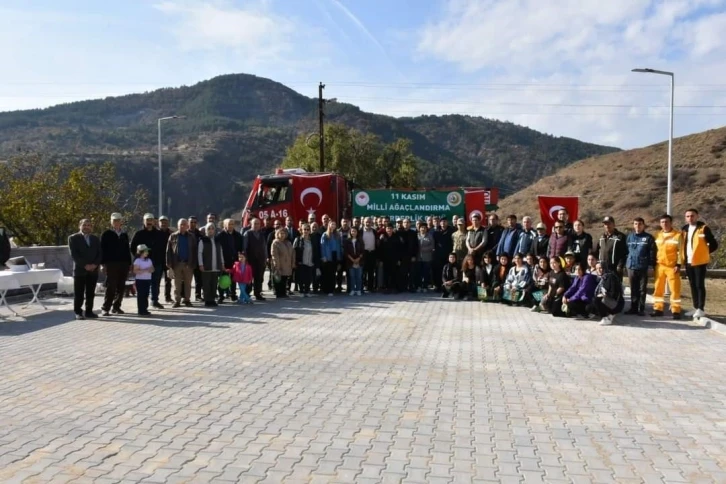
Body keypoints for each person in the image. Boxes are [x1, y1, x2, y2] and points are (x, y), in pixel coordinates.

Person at [682, 208, 719, 319]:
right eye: (688, 216)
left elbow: (714, 244)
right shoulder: (684, 229)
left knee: (699, 285)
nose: (690, 218)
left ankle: (701, 308)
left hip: (699, 262)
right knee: (692, 285)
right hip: (688, 262)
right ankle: (695, 307)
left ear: (697, 216)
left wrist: (704, 254)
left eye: (692, 216)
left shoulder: (703, 228)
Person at [130, 213, 166, 309]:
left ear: (154, 221)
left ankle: (154, 300)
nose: (149, 222)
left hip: (156, 262)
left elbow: (164, 248)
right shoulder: (139, 234)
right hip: (143, 264)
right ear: (144, 221)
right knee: (144, 284)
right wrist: (139, 258)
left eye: (151, 220)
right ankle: (143, 304)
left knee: (156, 282)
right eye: (147, 220)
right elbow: (133, 247)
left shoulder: (160, 234)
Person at [68, 219, 102, 320]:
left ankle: (89, 312)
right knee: (79, 293)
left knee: (91, 292)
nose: (87, 227)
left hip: (93, 270)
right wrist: (85, 265)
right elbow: (74, 254)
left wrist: (95, 264)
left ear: (91, 227)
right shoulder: (73, 238)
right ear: (80, 226)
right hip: (80, 270)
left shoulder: (95, 238)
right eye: (84, 225)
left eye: (89, 225)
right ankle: (78, 312)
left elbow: (100, 253)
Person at [651, 214, 684, 320]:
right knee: (658, 289)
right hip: (660, 266)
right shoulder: (657, 235)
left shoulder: (678, 235)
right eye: (662, 222)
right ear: (660, 223)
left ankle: (676, 311)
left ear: (671, 223)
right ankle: (658, 309)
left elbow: (681, 252)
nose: (664, 224)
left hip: (672, 267)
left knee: (675, 289)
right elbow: (655, 250)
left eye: (666, 222)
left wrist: (678, 264)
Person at [100, 213, 131, 316]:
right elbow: (102, 250)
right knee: (111, 286)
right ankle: (105, 308)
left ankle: (116, 307)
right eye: (114, 221)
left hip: (124, 264)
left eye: (118, 220)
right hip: (111, 263)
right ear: (111, 222)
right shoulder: (106, 234)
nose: (116, 222)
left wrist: (129, 263)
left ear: (121, 222)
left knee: (121, 286)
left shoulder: (124, 234)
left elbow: (127, 250)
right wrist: (102, 264)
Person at [624, 217, 657, 316]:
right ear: (633, 225)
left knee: (642, 290)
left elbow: (652, 253)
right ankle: (633, 308)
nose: (637, 226)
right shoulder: (629, 237)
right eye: (635, 224)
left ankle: (641, 308)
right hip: (631, 266)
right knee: (633, 288)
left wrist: (651, 266)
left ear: (643, 225)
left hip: (643, 267)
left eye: (640, 224)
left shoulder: (648, 238)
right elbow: (626, 251)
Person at [166, 218, 198, 308]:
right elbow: (168, 251)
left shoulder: (191, 236)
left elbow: (195, 251)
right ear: (178, 226)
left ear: (187, 226)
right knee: (177, 284)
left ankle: (187, 300)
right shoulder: (173, 236)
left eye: (184, 224)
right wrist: (169, 265)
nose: (183, 226)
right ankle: (177, 301)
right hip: (177, 264)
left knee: (188, 284)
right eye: (181, 224)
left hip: (188, 264)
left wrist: (193, 263)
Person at [198, 223, 225, 307]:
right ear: (206, 230)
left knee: (214, 285)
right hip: (206, 267)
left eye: (212, 228)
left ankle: (212, 299)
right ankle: (207, 300)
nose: (210, 230)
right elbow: (199, 253)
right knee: (206, 285)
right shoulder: (202, 240)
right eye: (208, 229)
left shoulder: (217, 240)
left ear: (214, 230)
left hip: (216, 267)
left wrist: (222, 263)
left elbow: (221, 253)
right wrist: (201, 264)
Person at [216, 219, 243, 303]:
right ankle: (221, 296)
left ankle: (233, 295)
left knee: (233, 279)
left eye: (232, 224)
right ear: (224, 225)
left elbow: (240, 248)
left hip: (234, 261)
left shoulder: (238, 235)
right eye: (229, 224)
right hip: (224, 261)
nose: (231, 226)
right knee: (223, 278)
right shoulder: (220, 236)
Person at [243, 218, 268, 301]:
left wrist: (265, 258)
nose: (257, 225)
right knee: (249, 278)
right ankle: (246, 294)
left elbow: (264, 248)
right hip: (250, 260)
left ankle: (258, 293)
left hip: (260, 260)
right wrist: (245, 259)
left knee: (259, 277)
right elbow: (244, 248)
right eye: (255, 223)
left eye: (258, 223)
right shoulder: (247, 234)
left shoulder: (262, 234)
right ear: (251, 224)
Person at [293, 223, 319, 297]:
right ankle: (301, 291)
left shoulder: (312, 240)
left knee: (309, 278)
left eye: (308, 229)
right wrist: (294, 261)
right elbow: (293, 251)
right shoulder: (297, 239)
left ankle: (307, 291)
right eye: (304, 229)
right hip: (301, 262)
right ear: (301, 230)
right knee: (301, 278)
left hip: (310, 262)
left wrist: (315, 262)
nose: (306, 231)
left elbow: (315, 251)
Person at [378, 224, 403, 294]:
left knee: (394, 274)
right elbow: (380, 250)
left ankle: (394, 288)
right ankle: (386, 288)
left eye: (390, 228)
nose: (389, 230)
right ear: (386, 229)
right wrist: (381, 260)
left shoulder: (397, 237)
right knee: (386, 274)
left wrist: (399, 260)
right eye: (388, 228)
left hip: (394, 260)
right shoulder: (383, 238)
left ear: (392, 229)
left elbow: (400, 250)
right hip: (385, 260)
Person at [271, 227, 294, 298]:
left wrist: (293, 262)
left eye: (284, 233)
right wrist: (276, 265)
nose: (282, 235)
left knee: (284, 279)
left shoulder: (288, 242)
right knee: (278, 280)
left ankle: (283, 293)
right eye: (281, 233)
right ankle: (279, 293)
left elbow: (293, 253)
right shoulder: (275, 243)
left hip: (287, 264)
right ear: (277, 234)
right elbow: (274, 254)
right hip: (279, 264)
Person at [320, 221, 342, 296]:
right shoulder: (325, 235)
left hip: (335, 255)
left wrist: (339, 258)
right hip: (328, 256)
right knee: (327, 274)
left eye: (334, 224)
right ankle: (327, 289)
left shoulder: (337, 235)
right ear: (329, 225)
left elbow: (339, 247)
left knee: (333, 274)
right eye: (331, 224)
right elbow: (322, 247)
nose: (333, 225)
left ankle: (331, 289)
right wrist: (324, 256)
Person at [433, 218, 454, 292]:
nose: (443, 223)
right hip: (438, 255)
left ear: (447, 223)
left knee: (448, 271)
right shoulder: (436, 232)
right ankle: (438, 286)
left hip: (448, 255)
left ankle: (448, 287)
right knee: (438, 271)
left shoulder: (451, 231)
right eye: (441, 222)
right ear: (439, 223)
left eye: (444, 222)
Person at [132, 244, 154, 316]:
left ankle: (145, 309)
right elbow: (135, 271)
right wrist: (145, 270)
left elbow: (152, 269)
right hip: (140, 280)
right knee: (141, 295)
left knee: (146, 294)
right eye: (145, 251)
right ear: (141, 252)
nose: (147, 252)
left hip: (147, 279)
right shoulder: (137, 261)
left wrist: (151, 270)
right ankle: (140, 310)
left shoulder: (149, 260)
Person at [344, 226, 364, 296]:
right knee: (352, 277)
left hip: (359, 261)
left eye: (355, 231)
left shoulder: (360, 240)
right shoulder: (347, 241)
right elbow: (346, 252)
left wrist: (358, 259)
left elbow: (362, 251)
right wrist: (352, 260)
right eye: (352, 231)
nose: (353, 232)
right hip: (350, 261)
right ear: (350, 232)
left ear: (357, 232)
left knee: (358, 277)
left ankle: (358, 290)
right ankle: (352, 289)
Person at [158, 216, 173, 303]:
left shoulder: (171, 234)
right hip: (158, 260)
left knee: (168, 280)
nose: (163, 224)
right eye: (162, 222)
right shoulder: (156, 233)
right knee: (157, 280)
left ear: (168, 223)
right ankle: (155, 299)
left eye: (165, 222)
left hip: (168, 260)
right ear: (159, 223)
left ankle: (168, 297)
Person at [360, 217, 378, 293]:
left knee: (371, 271)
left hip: (372, 253)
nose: (368, 223)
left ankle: (370, 287)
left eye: (369, 222)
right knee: (363, 271)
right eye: (366, 222)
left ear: (372, 223)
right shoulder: (360, 232)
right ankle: (363, 286)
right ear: (363, 222)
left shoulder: (374, 231)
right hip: (364, 253)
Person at [188, 216, 204, 301]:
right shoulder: (185, 233)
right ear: (188, 223)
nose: (193, 224)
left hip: (197, 260)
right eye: (191, 222)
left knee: (199, 280)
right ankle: (185, 297)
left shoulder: (200, 234)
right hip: (188, 260)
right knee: (187, 280)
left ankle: (198, 295)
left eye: (194, 222)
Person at [416, 224, 435, 292]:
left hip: (427, 257)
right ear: (419, 228)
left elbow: (432, 246)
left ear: (426, 229)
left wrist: (424, 249)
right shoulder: (417, 236)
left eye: (424, 228)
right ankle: (419, 286)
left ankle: (425, 286)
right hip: (418, 258)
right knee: (418, 273)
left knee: (426, 273)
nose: (423, 229)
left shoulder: (430, 236)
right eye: (421, 228)